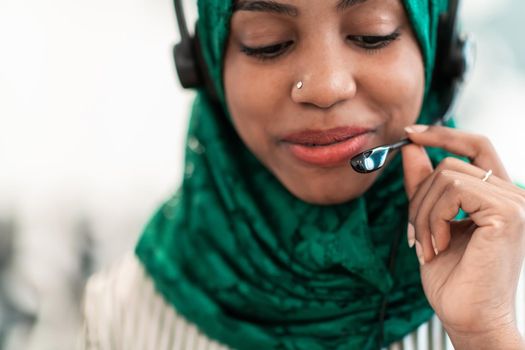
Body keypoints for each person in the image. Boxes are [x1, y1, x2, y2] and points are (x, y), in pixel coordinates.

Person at [80, 0, 525, 349]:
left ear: (439, 46)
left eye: (373, 34)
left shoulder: (510, 278)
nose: (325, 87)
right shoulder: (123, 311)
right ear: (205, 64)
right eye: (266, 43)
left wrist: (488, 336)